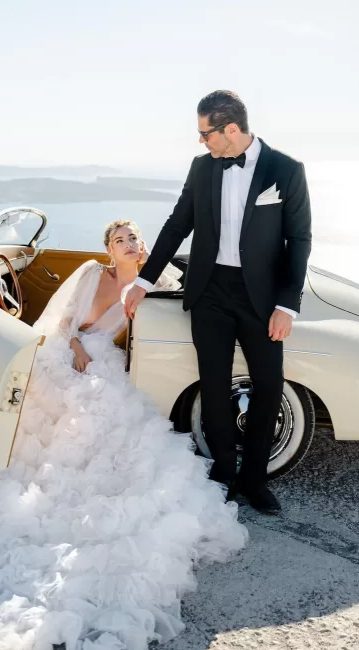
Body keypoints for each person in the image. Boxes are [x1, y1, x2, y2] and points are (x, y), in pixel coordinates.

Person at [0, 220, 246, 650]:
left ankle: (96, 488)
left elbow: (195, 284)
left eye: (135, 238)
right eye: (120, 239)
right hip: (67, 349)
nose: (130, 243)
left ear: (143, 247)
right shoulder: (90, 273)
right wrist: (75, 349)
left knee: (106, 408)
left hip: (104, 356)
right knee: (63, 398)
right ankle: (44, 476)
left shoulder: (156, 281)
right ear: (108, 249)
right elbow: (62, 321)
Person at [125, 90, 312, 515]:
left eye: (204, 133)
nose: (200, 141)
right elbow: (177, 225)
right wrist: (143, 280)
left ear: (231, 129)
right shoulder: (202, 167)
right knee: (213, 385)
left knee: (268, 387)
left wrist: (287, 305)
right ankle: (225, 473)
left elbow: (299, 239)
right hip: (210, 291)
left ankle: (255, 479)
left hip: (261, 298)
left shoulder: (286, 169)